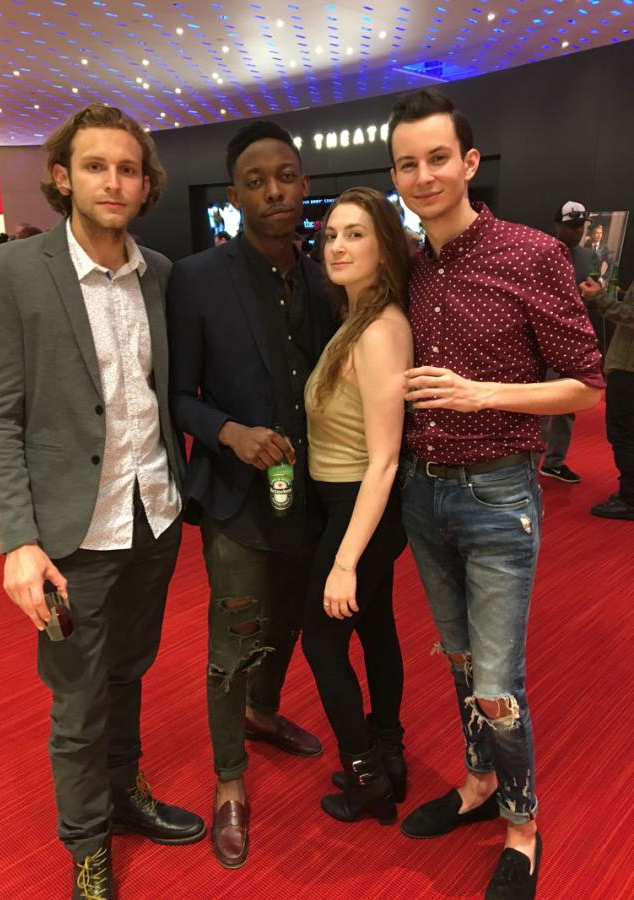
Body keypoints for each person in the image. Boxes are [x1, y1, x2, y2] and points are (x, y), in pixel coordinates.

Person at [0, 104, 205, 900]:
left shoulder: (163, 274)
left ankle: (125, 793)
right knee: (77, 700)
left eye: (128, 168)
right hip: (70, 533)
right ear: (63, 178)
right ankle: (87, 841)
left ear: (146, 185)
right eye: (96, 166)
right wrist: (17, 540)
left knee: (130, 673)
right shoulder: (10, 273)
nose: (114, 180)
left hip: (154, 516)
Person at [387, 88, 604, 900]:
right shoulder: (405, 266)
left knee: (496, 683)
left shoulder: (529, 253)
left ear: (469, 163)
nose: (423, 174)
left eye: (437, 157)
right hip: (422, 492)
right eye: (407, 163)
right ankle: (478, 783)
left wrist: (482, 394)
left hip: (497, 495)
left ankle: (521, 822)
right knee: (456, 661)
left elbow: (584, 385)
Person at [167, 120, 335, 869]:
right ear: (234, 196)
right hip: (235, 495)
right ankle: (229, 778)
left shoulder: (323, 275)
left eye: (288, 176)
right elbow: (175, 394)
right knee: (233, 635)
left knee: (292, 617)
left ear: (303, 185)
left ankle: (264, 714)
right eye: (259, 181)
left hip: (311, 493)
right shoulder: (197, 278)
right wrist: (227, 429)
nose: (275, 191)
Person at [301, 187, 412, 824]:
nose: (338, 246)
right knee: (376, 628)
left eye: (356, 234)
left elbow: (385, 459)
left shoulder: (379, 331)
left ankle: (367, 774)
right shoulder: (357, 318)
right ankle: (389, 754)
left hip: (360, 508)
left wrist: (344, 560)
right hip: (350, 505)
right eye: (333, 234)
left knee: (322, 642)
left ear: (384, 246)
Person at [539, 200, 595, 484]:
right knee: (537, 402)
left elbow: (598, 289)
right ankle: (528, 456)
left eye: (579, 227)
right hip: (543, 341)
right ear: (557, 225)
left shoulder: (588, 257)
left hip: (573, 342)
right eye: (570, 226)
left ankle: (554, 461)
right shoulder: (541, 252)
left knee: (566, 404)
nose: (575, 232)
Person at [581, 274, 634, 519]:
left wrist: (599, 298)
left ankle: (630, 498)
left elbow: (630, 316)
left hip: (628, 367)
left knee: (623, 432)